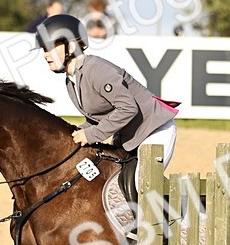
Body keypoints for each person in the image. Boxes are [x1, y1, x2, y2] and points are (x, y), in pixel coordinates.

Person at [35, 13, 178, 184]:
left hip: (155, 131)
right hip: (128, 138)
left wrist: (91, 134)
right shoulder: (71, 80)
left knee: (142, 183)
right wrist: (71, 134)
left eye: (50, 47)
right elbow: (96, 118)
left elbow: (128, 108)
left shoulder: (96, 70)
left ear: (71, 46)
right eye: (43, 49)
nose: (45, 55)